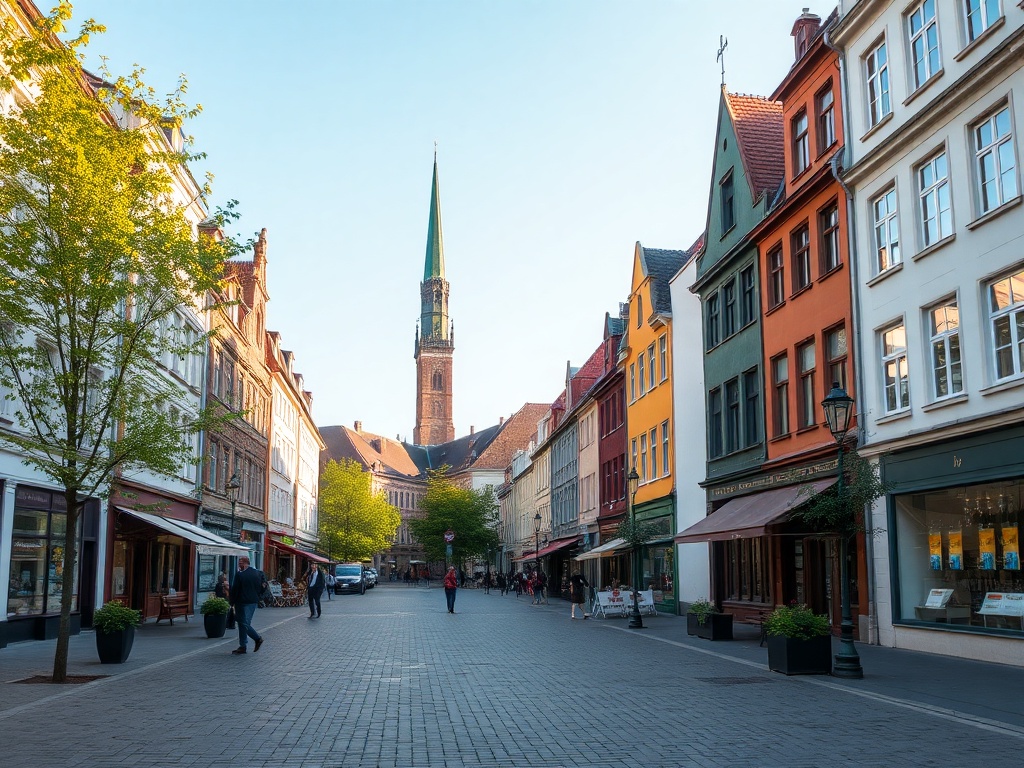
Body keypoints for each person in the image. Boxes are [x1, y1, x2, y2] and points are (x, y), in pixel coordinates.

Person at [228, 556, 265, 654]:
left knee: (243, 623)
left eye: (240, 563)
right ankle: (242, 646)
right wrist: (258, 596)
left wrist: (231, 601)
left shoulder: (240, 575)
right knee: (243, 623)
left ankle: (257, 638)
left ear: (244, 564)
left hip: (241, 601)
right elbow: (263, 587)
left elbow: (235, 589)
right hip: (252, 601)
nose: (239, 565)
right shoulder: (258, 573)